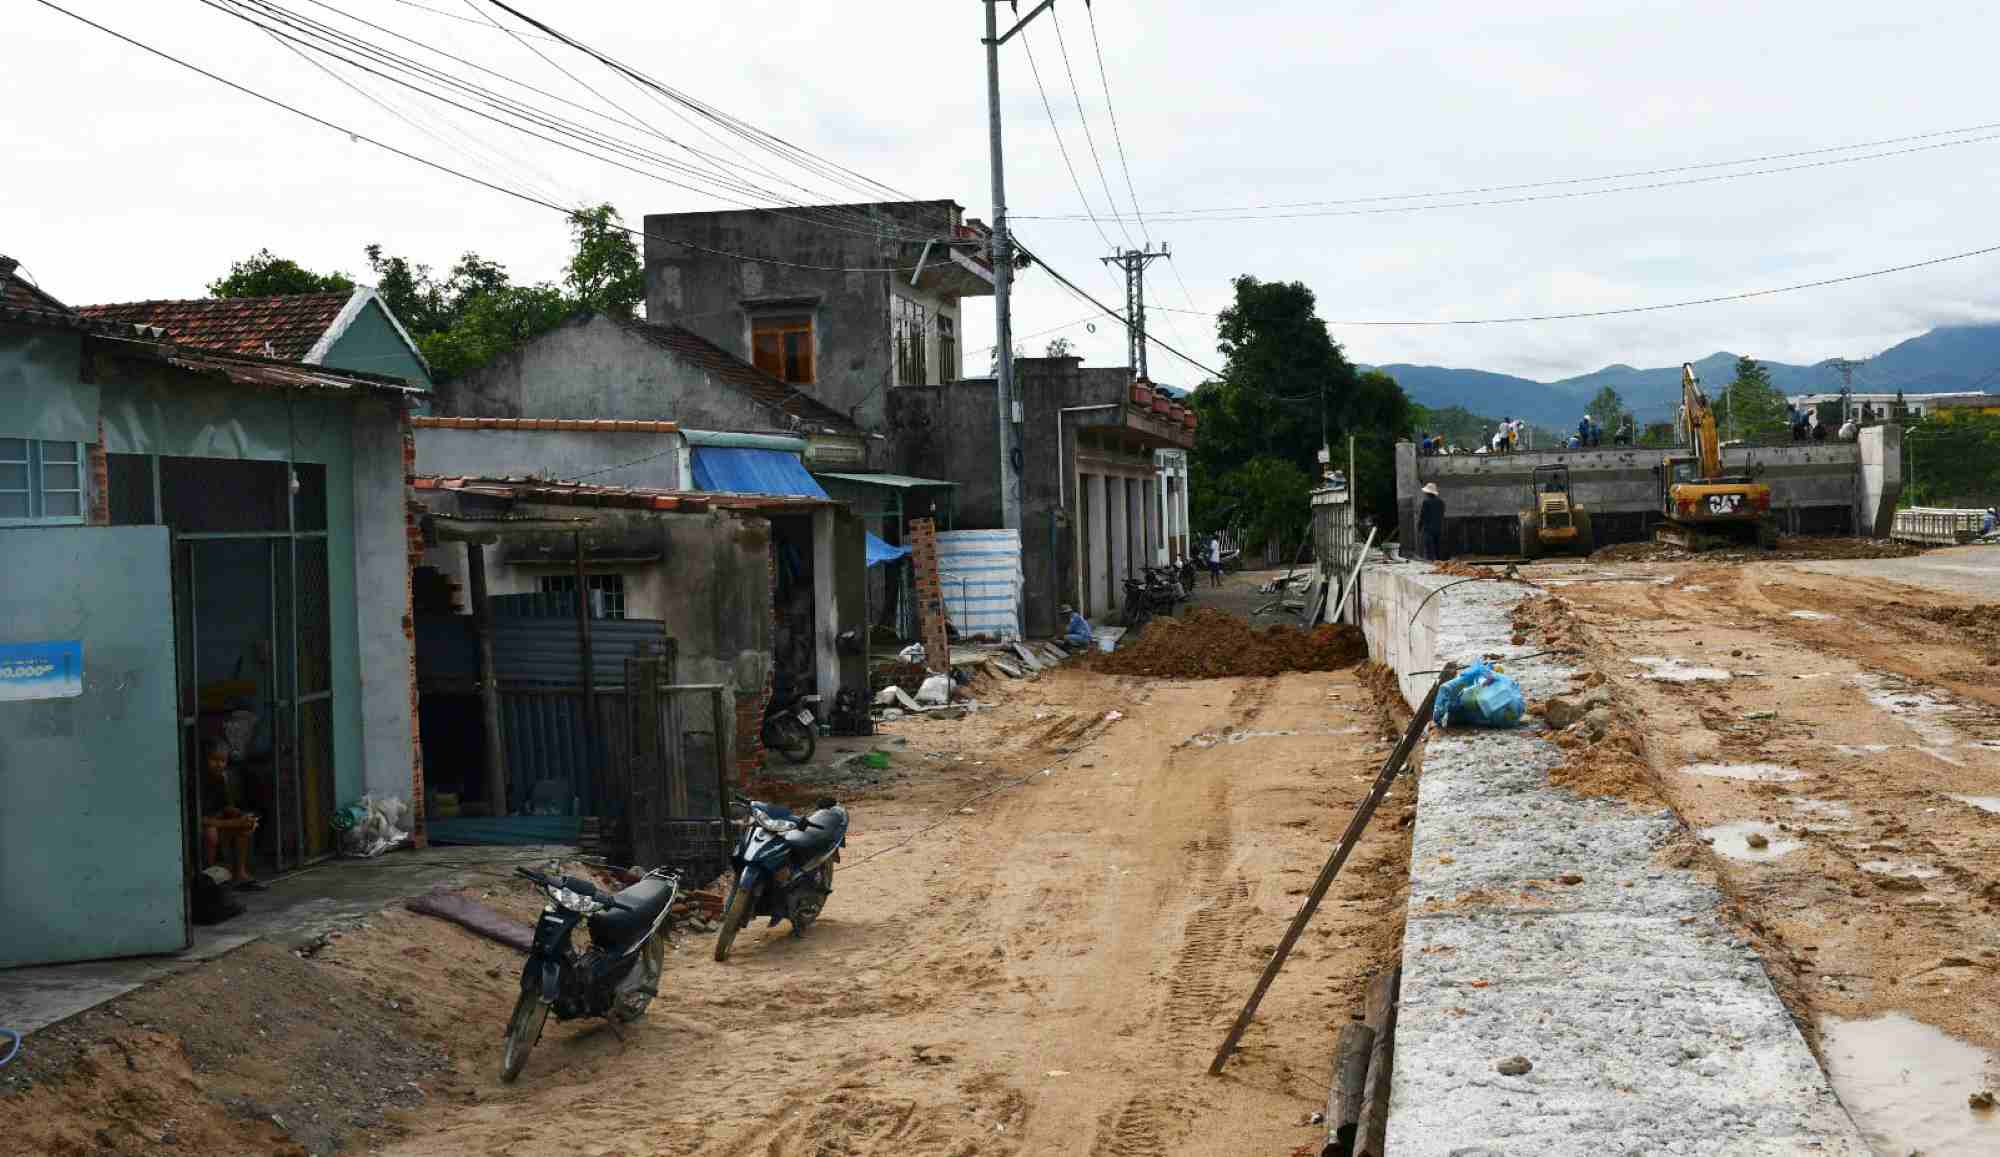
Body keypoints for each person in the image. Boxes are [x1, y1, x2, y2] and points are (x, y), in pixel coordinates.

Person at [200, 737, 260, 887]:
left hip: (218, 821)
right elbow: (202, 819)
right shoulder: (198, 781)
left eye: (223, 761)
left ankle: (240, 873)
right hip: (204, 826)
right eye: (214, 760)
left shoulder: (220, 779)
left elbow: (224, 806)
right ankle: (208, 878)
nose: (219, 764)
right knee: (211, 833)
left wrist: (240, 815)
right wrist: (232, 822)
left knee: (246, 826)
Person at [1418, 482, 1445, 561]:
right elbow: (1441, 515)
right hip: (1438, 528)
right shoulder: (1441, 502)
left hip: (1428, 529)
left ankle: (1431, 563)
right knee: (1438, 548)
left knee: (1429, 549)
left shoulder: (1426, 502)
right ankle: (1439, 563)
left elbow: (1423, 516)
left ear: (1428, 493)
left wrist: (1419, 527)